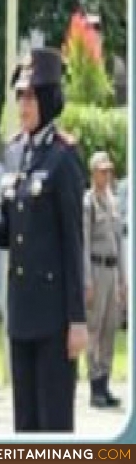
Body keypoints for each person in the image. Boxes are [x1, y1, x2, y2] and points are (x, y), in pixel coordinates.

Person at [0, 47, 88, 432]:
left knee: (52, 424)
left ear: (50, 99)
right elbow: (11, 231)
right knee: (24, 424)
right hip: (21, 313)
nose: (23, 104)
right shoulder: (14, 153)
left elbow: (73, 242)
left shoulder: (64, 157)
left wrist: (77, 320)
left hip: (54, 317)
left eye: (32, 95)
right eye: (20, 95)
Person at [84, 150, 126, 408]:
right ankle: (94, 383)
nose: (106, 175)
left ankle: (106, 380)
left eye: (109, 170)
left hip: (112, 270)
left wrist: (123, 279)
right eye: (102, 171)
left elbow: (119, 243)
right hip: (96, 268)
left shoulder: (112, 202)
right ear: (93, 173)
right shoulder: (88, 202)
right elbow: (85, 242)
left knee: (111, 327)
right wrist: (86, 280)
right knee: (94, 328)